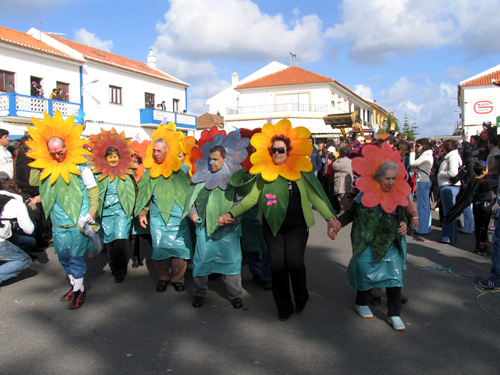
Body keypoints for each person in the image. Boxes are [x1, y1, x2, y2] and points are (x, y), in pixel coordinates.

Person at [219, 120, 336, 321]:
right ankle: (284, 307)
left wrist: (330, 218)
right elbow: (252, 198)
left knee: (295, 263)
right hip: (271, 226)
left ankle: (301, 295)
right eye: (273, 150)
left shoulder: (300, 172)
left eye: (281, 150)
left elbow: (315, 196)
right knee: (277, 266)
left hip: (297, 225)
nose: (276, 153)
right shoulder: (264, 174)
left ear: (288, 151)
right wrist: (232, 213)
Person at [330, 149, 411, 331]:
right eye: (387, 179)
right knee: (365, 272)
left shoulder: (398, 194)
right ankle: (361, 302)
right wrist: (336, 224)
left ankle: (394, 313)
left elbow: (403, 215)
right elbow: (351, 213)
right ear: (378, 178)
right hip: (367, 239)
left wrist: (405, 224)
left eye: (393, 179)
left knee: (394, 277)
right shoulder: (364, 194)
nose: (390, 182)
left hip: (391, 241)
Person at [28, 111, 99, 309]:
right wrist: (40, 158)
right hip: (58, 222)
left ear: (67, 147)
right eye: (53, 153)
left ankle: (79, 290)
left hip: (78, 220)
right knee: (64, 257)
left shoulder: (81, 165)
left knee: (76, 258)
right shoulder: (47, 166)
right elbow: (33, 181)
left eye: (61, 152)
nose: (58, 157)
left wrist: (92, 211)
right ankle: (74, 286)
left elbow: (93, 188)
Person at [183, 131, 249, 309]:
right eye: (210, 160)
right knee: (201, 262)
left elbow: (242, 204)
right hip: (204, 229)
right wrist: (193, 215)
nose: (212, 163)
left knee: (231, 263)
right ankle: (199, 292)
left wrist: (232, 218)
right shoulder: (200, 180)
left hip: (228, 232)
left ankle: (235, 294)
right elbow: (191, 202)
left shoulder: (233, 181)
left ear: (225, 160)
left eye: (216, 160)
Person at [136, 125, 192, 293]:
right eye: (154, 151)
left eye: (159, 151)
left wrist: (193, 213)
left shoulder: (183, 170)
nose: (156, 154)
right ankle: (162, 278)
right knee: (160, 248)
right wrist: (142, 213)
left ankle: (177, 279)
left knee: (179, 249)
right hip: (158, 217)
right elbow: (145, 194)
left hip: (179, 217)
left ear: (168, 151)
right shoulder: (150, 170)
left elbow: (190, 193)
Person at [90, 131, 136, 283]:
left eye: (115, 156)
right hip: (106, 212)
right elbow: (93, 192)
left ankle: (120, 270)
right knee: (110, 241)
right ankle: (113, 265)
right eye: (110, 156)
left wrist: (135, 209)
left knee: (121, 239)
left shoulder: (127, 173)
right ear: (105, 158)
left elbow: (135, 190)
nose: (113, 159)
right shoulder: (98, 174)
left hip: (122, 211)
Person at [0, 181, 34, 286]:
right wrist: (29, 207)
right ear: (19, 191)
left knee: (29, 242)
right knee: (25, 260)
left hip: (5, 236)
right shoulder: (16, 204)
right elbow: (29, 230)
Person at [437, 140, 462, 244]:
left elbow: (453, 172)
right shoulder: (453, 156)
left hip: (448, 186)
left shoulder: (452, 157)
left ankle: (447, 237)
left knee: (448, 213)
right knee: (450, 213)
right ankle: (452, 236)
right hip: (449, 186)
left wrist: (441, 174)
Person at [409, 138, 434, 234]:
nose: (417, 148)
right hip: (425, 180)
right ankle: (426, 227)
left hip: (422, 181)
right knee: (425, 206)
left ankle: (422, 229)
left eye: (418, 146)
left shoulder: (425, 155)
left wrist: (412, 152)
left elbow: (412, 163)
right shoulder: (427, 155)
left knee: (422, 206)